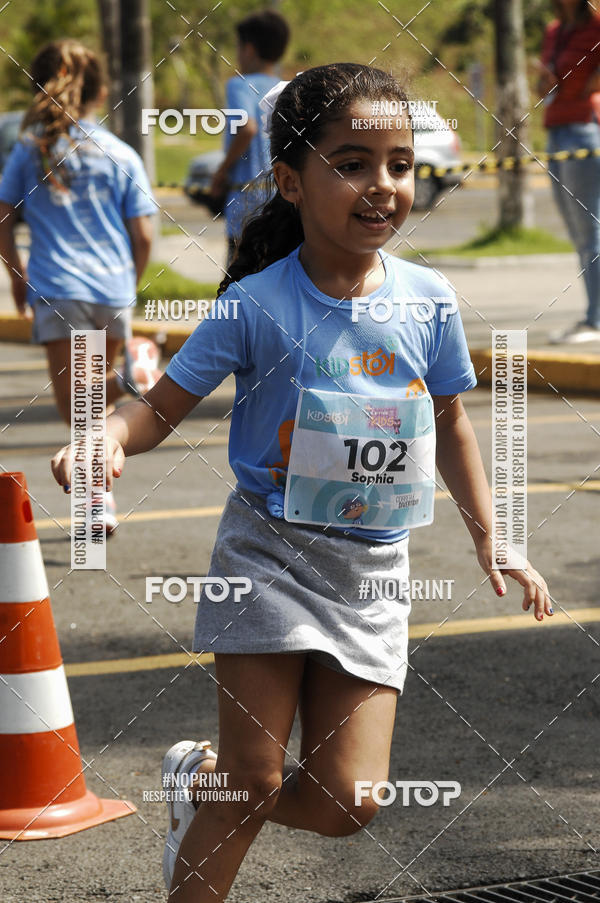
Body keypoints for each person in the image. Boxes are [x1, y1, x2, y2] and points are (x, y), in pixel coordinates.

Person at [51, 64, 553, 902]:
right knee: (252, 780)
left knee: (349, 801)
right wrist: (104, 434)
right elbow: (159, 406)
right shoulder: (254, 304)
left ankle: (196, 778)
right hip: (268, 557)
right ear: (290, 179)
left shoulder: (429, 301)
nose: (382, 186)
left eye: (399, 163)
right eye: (351, 162)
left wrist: (492, 532)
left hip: (372, 572)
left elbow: (455, 422)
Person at [0, 39, 160, 532]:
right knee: (96, 401)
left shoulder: (33, 152)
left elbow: (3, 216)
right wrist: (130, 282)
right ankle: (130, 375)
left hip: (59, 288)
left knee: (79, 408)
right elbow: (144, 231)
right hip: (111, 288)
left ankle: (95, 503)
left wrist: (17, 274)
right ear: (100, 92)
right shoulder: (119, 152)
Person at [537, 0, 600, 343]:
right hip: (556, 127)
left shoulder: (597, 25)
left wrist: (589, 84)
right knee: (579, 232)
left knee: (590, 231)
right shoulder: (554, 31)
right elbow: (547, 87)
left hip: (585, 128)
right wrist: (544, 83)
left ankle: (595, 321)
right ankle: (593, 318)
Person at [209, 9, 289, 265]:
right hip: (279, 200)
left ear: (249, 49)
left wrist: (221, 172)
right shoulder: (284, 87)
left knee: (238, 279)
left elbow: (247, 128)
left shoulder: (239, 85)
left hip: (245, 201)